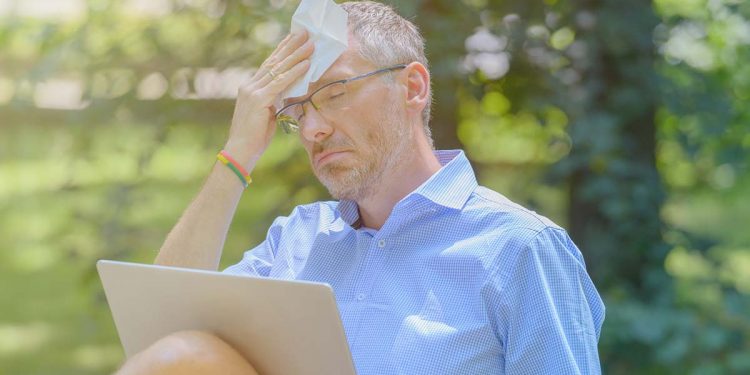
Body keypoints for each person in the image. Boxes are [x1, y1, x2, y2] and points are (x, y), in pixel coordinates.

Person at [117, 1, 605, 374]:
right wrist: (237, 153)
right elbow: (160, 338)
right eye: (298, 110)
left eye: (334, 93)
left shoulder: (519, 248)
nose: (312, 130)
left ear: (412, 88)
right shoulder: (297, 239)